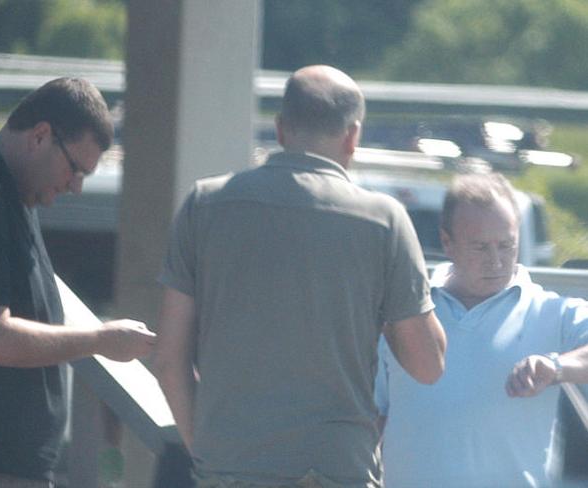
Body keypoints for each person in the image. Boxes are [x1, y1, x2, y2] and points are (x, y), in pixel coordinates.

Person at [153, 64, 446, 488]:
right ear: (353, 136)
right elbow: (428, 364)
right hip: (335, 468)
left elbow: (168, 360)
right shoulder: (383, 221)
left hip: (229, 466)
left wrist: (208, 451)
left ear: (280, 129)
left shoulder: (204, 205)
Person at [0, 78, 156, 487]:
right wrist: (99, 340)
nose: (76, 186)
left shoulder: (8, 191)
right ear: (40, 136)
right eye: (76, 169)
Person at [374, 172, 588, 488]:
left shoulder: (551, 311)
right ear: (447, 242)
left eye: (506, 246)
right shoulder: (403, 316)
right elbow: (371, 417)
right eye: (480, 247)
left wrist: (557, 367)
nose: (496, 261)